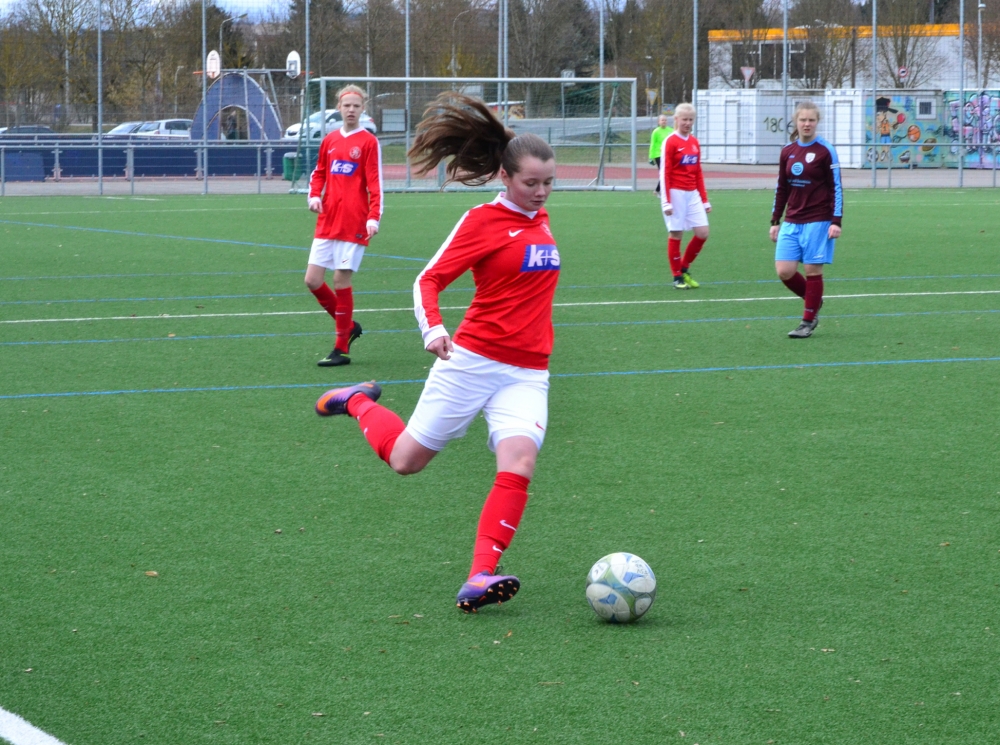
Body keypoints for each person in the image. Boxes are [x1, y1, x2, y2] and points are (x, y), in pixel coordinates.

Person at [314, 93, 560, 614]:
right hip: (470, 363)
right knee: (406, 461)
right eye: (530, 183)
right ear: (504, 177)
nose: (540, 193)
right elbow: (428, 279)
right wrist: (433, 330)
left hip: (527, 372)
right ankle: (356, 401)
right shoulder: (481, 221)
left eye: (548, 183)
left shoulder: (541, 221)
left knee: (520, 461)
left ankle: (479, 576)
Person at [305, 84, 384, 366]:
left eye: (356, 106)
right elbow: (319, 173)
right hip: (328, 220)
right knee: (312, 280)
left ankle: (341, 348)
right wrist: (315, 196)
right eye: (346, 105)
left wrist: (374, 217)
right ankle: (348, 326)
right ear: (338, 108)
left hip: (355, 222)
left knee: (340, 280)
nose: (351, 110)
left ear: (363, 109)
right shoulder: (330, 140)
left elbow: (375, 183)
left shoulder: (368, 142)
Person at [770, 100, 843, 339]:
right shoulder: (787, 151)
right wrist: (775, 220)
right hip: (792, 220)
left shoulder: (825, 150)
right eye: (803, 119)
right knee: (784, 270)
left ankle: (808, 320)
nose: (807, 124)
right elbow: (782, 187)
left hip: (818, 219)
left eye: (811, 120)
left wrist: (836, 221)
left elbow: (836, 187)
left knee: (812, 270)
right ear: (796, 121)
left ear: (817, 122)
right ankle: (814, 300)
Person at [661, 103, 710, 290]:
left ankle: (684, 268)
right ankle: (677, 277)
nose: (688, 123)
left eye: (691, 120)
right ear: (676, 120)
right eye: (684, 120)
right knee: (676, 233)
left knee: (703, 233)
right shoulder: (670, 141)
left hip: (693, 194)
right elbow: (664, 173)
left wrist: (704, 199)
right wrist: (666, 202)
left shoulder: (694, 142)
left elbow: (698, 172)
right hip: (676, 193)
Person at [648, 114, 674, 195]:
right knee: (664, 172)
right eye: (662, 120)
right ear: (659, 122)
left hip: (668, 155)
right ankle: (658, 190)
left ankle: (660, 190)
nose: (664, 121)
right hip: (658, 155)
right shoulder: (656, 131)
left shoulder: (671, 130)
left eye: (665, 120)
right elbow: (652, 144)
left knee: (669, 172)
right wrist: (651, 157)